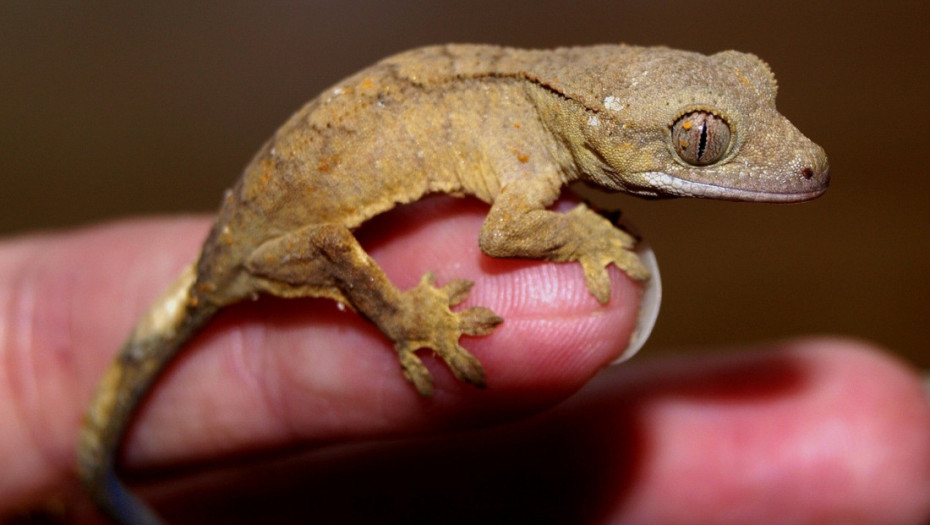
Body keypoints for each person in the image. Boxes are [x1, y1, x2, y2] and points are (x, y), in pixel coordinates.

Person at [3, 198, 929, 523]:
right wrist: (408, 317)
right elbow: (508, 227)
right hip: (276, 242)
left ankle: (98, 478)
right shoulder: (526, 159)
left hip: (263, 217)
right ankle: (99, 472)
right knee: (339, 254)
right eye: (697, 142)